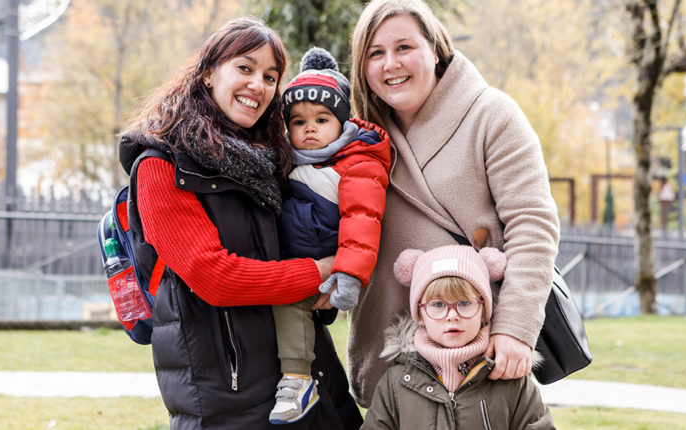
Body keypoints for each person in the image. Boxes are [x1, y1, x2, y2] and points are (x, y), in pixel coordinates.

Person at [118, 17, 363, 429]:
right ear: (209, 73)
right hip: (228, 394)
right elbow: (216, 278)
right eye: (245, 68)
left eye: (270, 76)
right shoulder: (162, 166)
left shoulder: (271, 159)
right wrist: (321, 272)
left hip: (309, 378)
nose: (258, 85)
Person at [347, 0, 560, 408]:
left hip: (475, 350)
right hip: (387, 352)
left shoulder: (492, 114)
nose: (391, 64)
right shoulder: (358, 136)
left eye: (404, 47)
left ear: (435, 49)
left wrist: (515, 327)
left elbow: (533, 224)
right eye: (375, 53)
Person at [270, 47, 391, 424]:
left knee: (288, 304)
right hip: (295, 261)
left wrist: (349, 274)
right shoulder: (286, 162)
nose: (309, 128)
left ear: (342, 123)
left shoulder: (357, 163)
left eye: (322, 119)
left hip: (328, 269)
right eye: (298, 121)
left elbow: (362, 221)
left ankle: (296, 380)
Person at [362, 245, 554, 429]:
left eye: (464, 303)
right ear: (420, 314)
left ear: (483, 310)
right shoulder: (396, 382)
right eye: (438, 305)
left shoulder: (510, 379)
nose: (452, 315)